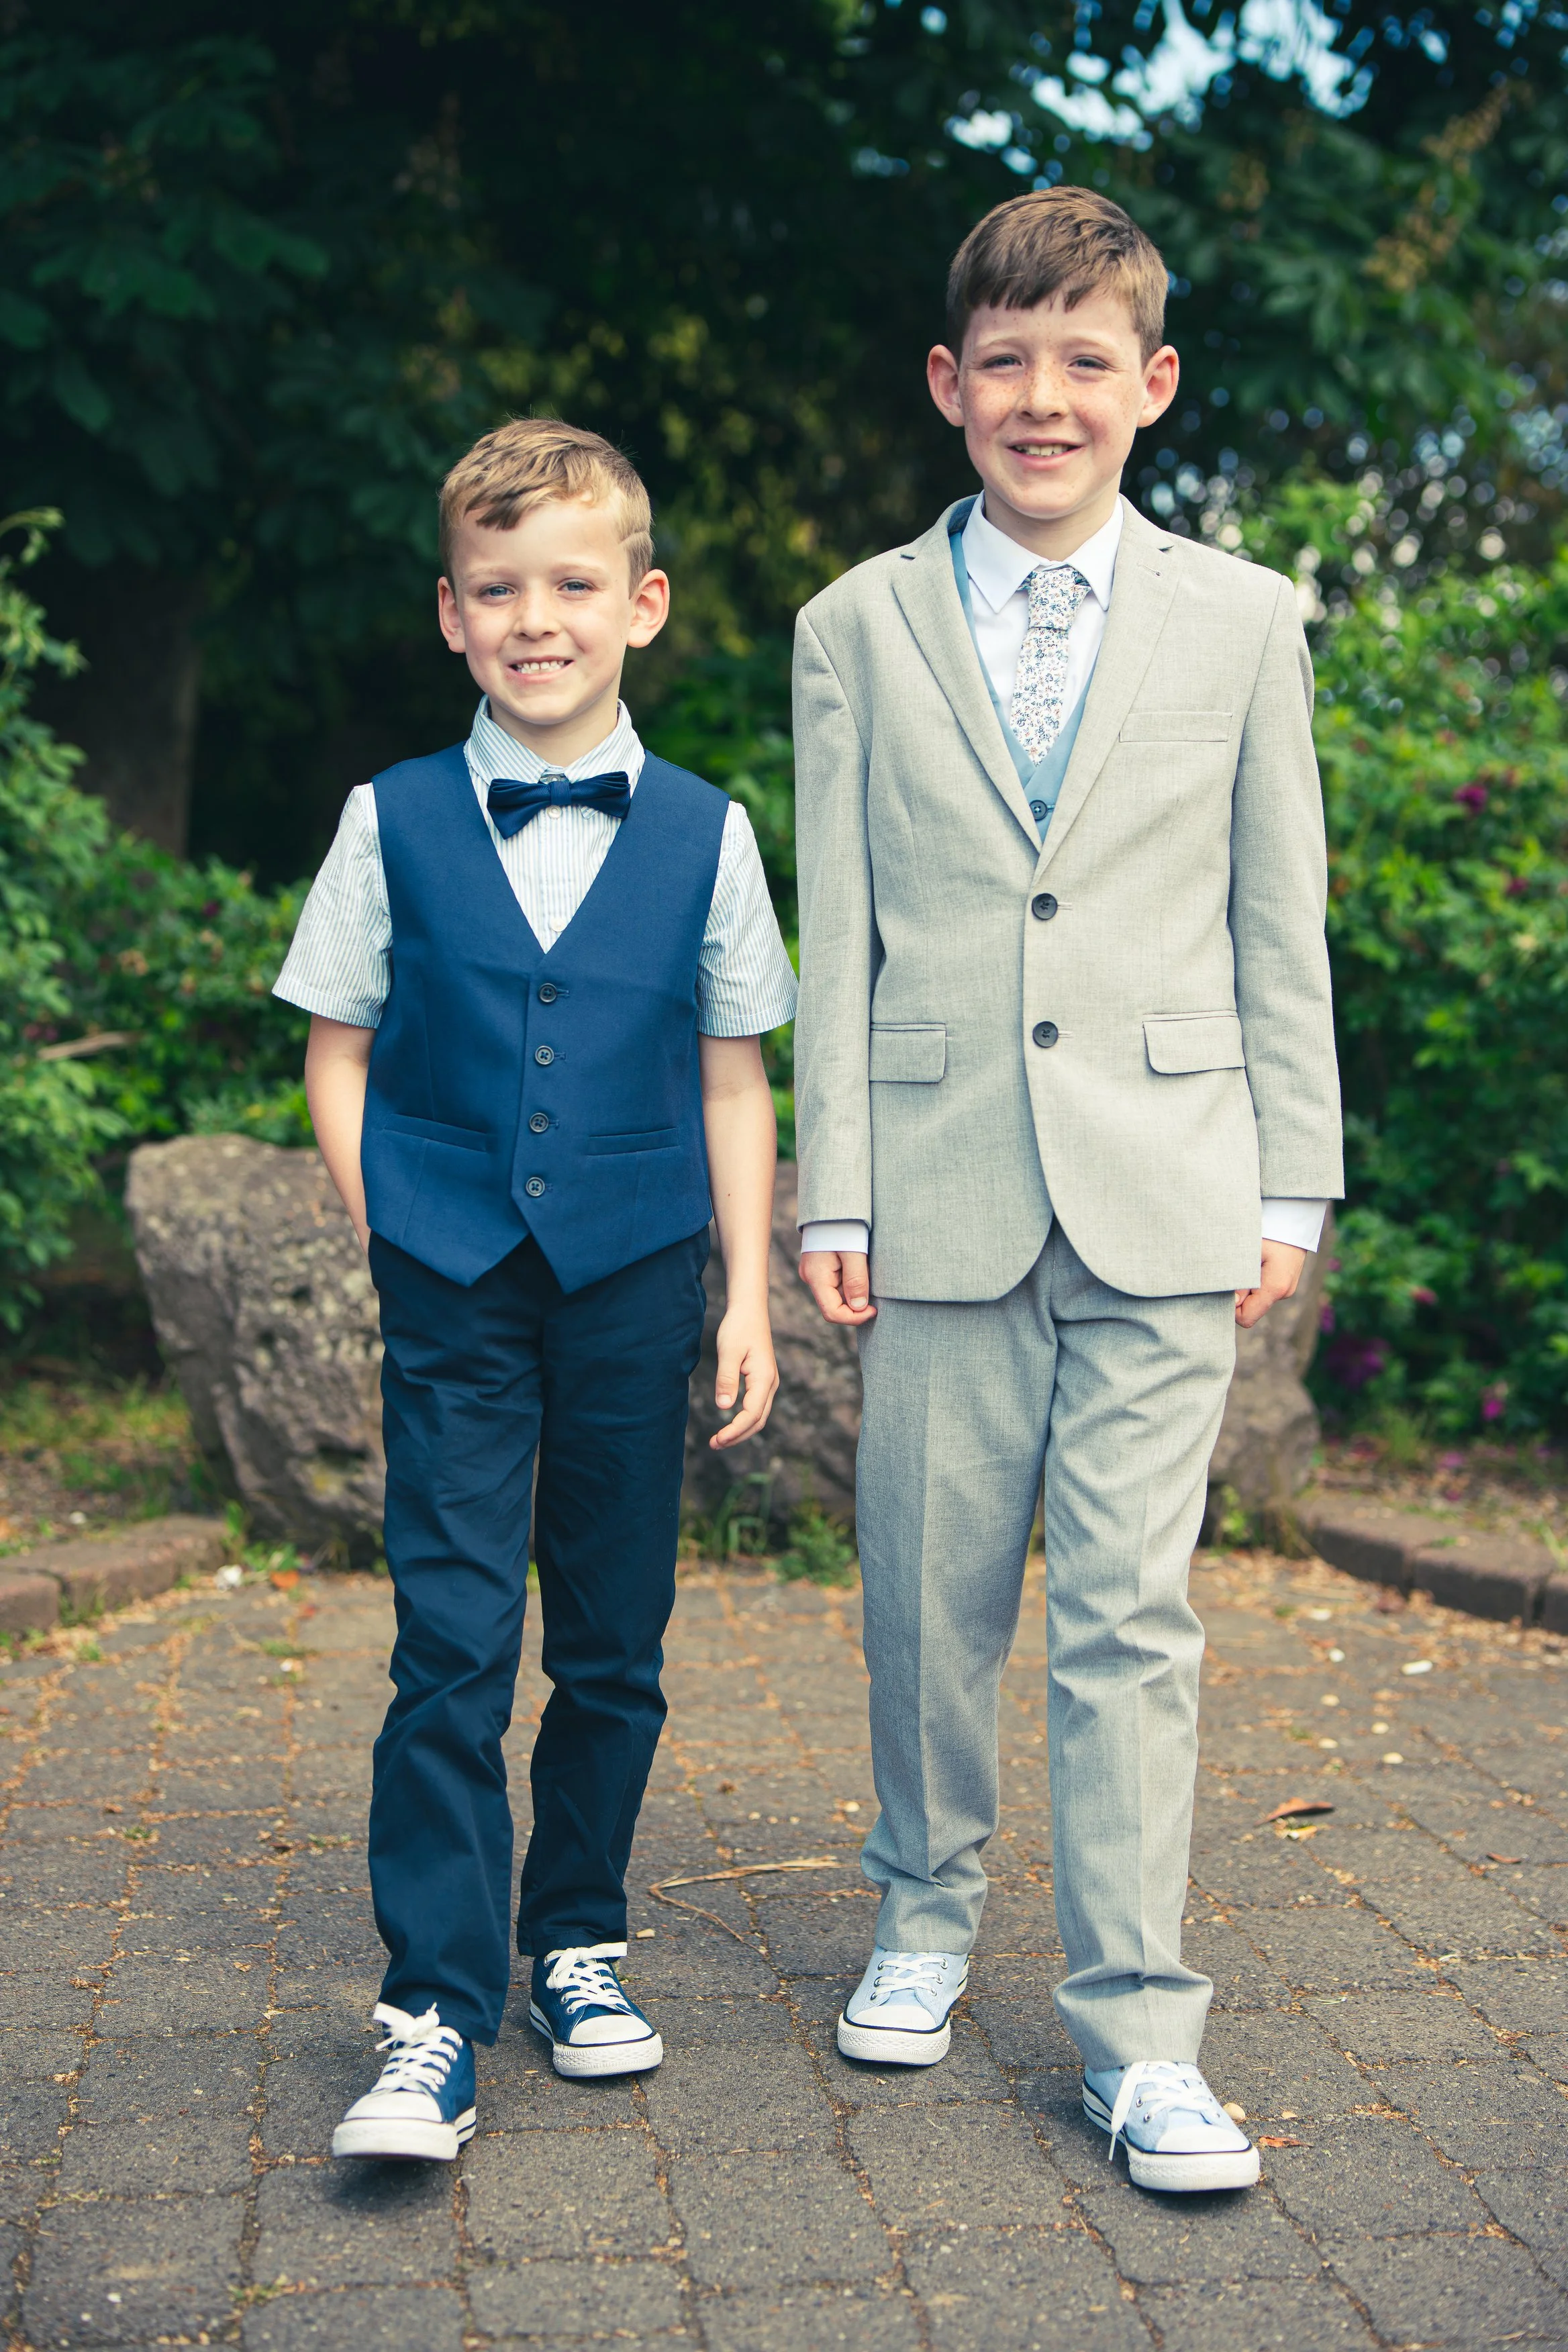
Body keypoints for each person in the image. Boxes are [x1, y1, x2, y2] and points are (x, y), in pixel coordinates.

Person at [791, 189, 1342, 2195]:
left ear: (1153, 387)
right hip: (933, 1180)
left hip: (1171, 1182)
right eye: (1004, 360)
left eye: (1085, 360)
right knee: (929, 1599)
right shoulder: (849, 628)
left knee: (1133, 1614)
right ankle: (923, 1918)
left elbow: (1280, 920)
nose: (1044, 396)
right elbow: (842, 924)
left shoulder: (1245, 619)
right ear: (951, 386)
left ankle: (1138, 2032)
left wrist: (1300, 1173)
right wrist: (828, 1191)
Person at [274, 418, 797, 2161]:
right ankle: (430, 2004)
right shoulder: (393, 819)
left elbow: (737, 1074)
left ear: (641, 603)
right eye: (499, 589)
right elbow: (335, 1047)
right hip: (456, 1290)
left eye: (574, 584)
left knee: (615, 1638)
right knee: (448, 1641)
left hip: (641, 1280)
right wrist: (385, 1218)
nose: (537, 617)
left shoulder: (713, 833)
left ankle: (576, 1936)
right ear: (450, 614)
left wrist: (743, 1294)